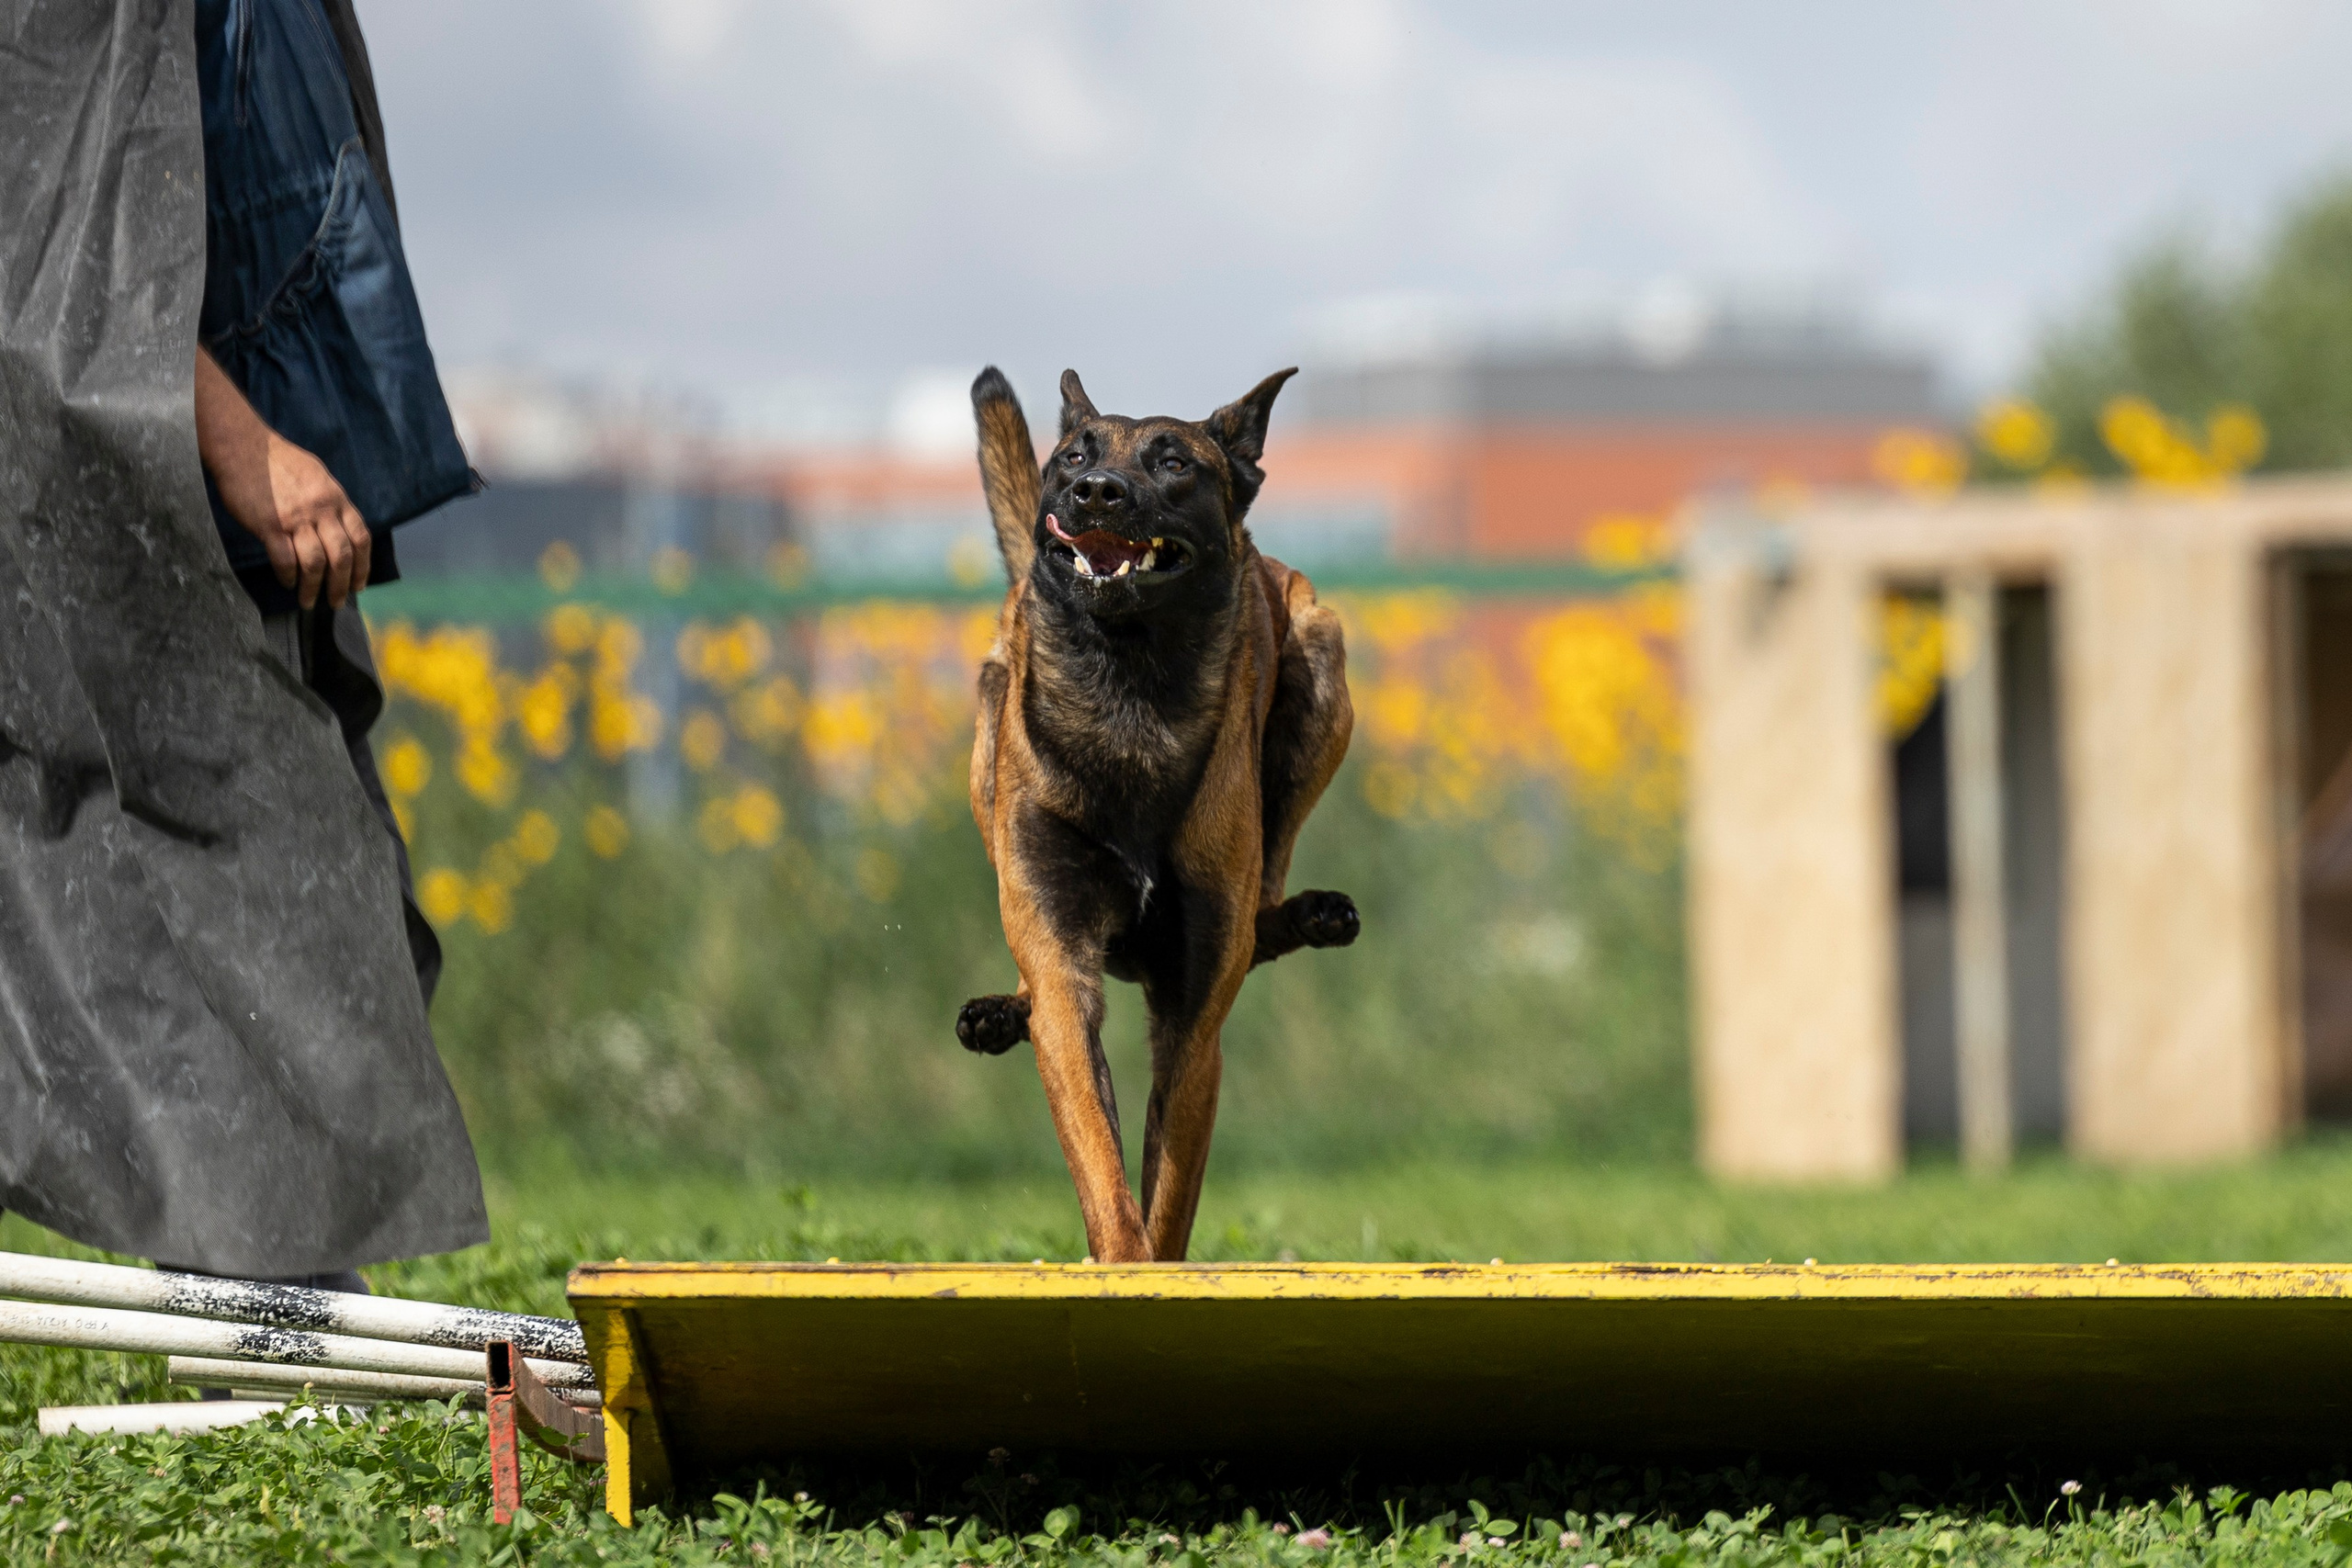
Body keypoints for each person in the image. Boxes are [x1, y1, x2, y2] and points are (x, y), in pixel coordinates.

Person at [0, 0, 487, 1285]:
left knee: (269, 876)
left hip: (164, 477)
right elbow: (36, 225)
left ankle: (279, 1323)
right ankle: (271, 1327)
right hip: (100, 475)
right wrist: (237, 444)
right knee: (234, 867)